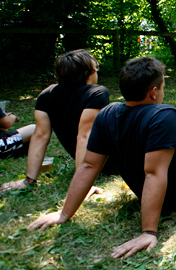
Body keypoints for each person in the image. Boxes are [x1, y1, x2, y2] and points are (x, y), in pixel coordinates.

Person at [27, 57, 176, 259]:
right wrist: (148, 232)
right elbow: (153, 173)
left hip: (158, 188)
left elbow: (88, 165)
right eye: (163, 86)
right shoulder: (163, 114)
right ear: (154, 92)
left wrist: (64, 213)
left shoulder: (106, 114)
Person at [2, 49, 112, 191]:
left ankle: (30, 182)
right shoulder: (96, 93)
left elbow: (40, 136)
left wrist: (28, 180)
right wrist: (83, 185)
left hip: (96, 163)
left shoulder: (47, 94)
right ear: (87, 73)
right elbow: (85, 136)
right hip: (113, 162)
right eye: (96, 68)